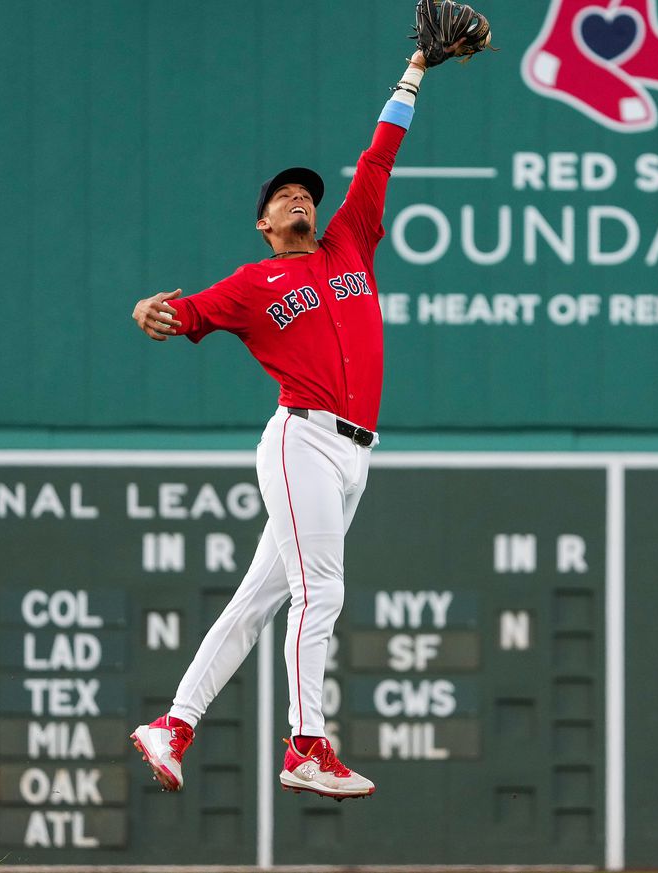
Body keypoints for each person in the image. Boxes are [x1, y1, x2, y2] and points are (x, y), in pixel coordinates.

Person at [129, 47, 438, 801]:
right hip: (301, 438)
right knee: (320, 592)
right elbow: (186, 312)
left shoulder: (349, 242)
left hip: (354, 454)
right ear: (263, 222)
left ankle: (172, 725)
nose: (301, 198)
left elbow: (379, 157)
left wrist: (417, 70)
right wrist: (151, 312)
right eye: (286, 196)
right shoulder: (252, 281)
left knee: (257, 602)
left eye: (306, 192)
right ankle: (306, 743)